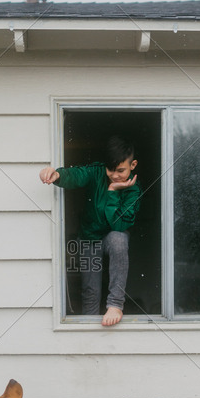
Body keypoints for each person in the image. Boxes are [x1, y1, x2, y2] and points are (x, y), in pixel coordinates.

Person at [39, 136, 141, 326]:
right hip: (89, 238)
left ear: (133, 164)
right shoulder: (96, 172)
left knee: (119, 238)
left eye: (121, 170)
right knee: (90, 290)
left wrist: (112, 191)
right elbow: (77, 174)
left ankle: (116, 305)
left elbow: (119, 224)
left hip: (112, 237)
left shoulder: (133, 190)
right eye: (111, 170)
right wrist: (57, 174)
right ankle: (89, 330)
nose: (115, 175)